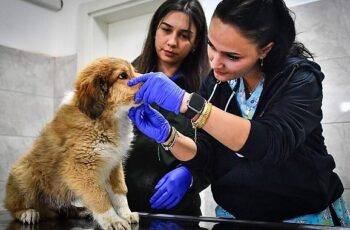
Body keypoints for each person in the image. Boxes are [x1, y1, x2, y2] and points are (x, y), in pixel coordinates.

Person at [127, 0, 350, 226]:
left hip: (302, 218)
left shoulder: (299, 78)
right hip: (236, 219)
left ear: (265, 50)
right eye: (211, 46)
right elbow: (207, 155)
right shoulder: (216, 83)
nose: (215, 63)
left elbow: (271, 142)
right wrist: (169, 137)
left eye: (232, 56)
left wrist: (187, 102)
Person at [124, 0, 210, 216]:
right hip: (122, 209)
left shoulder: (208, 86)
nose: (172, 42)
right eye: (166, 30)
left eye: (184, 35)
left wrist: (191, 175)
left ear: (196, 42)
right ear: (155, 29)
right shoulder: (126, 77)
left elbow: (217, 151)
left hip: (180, 214)